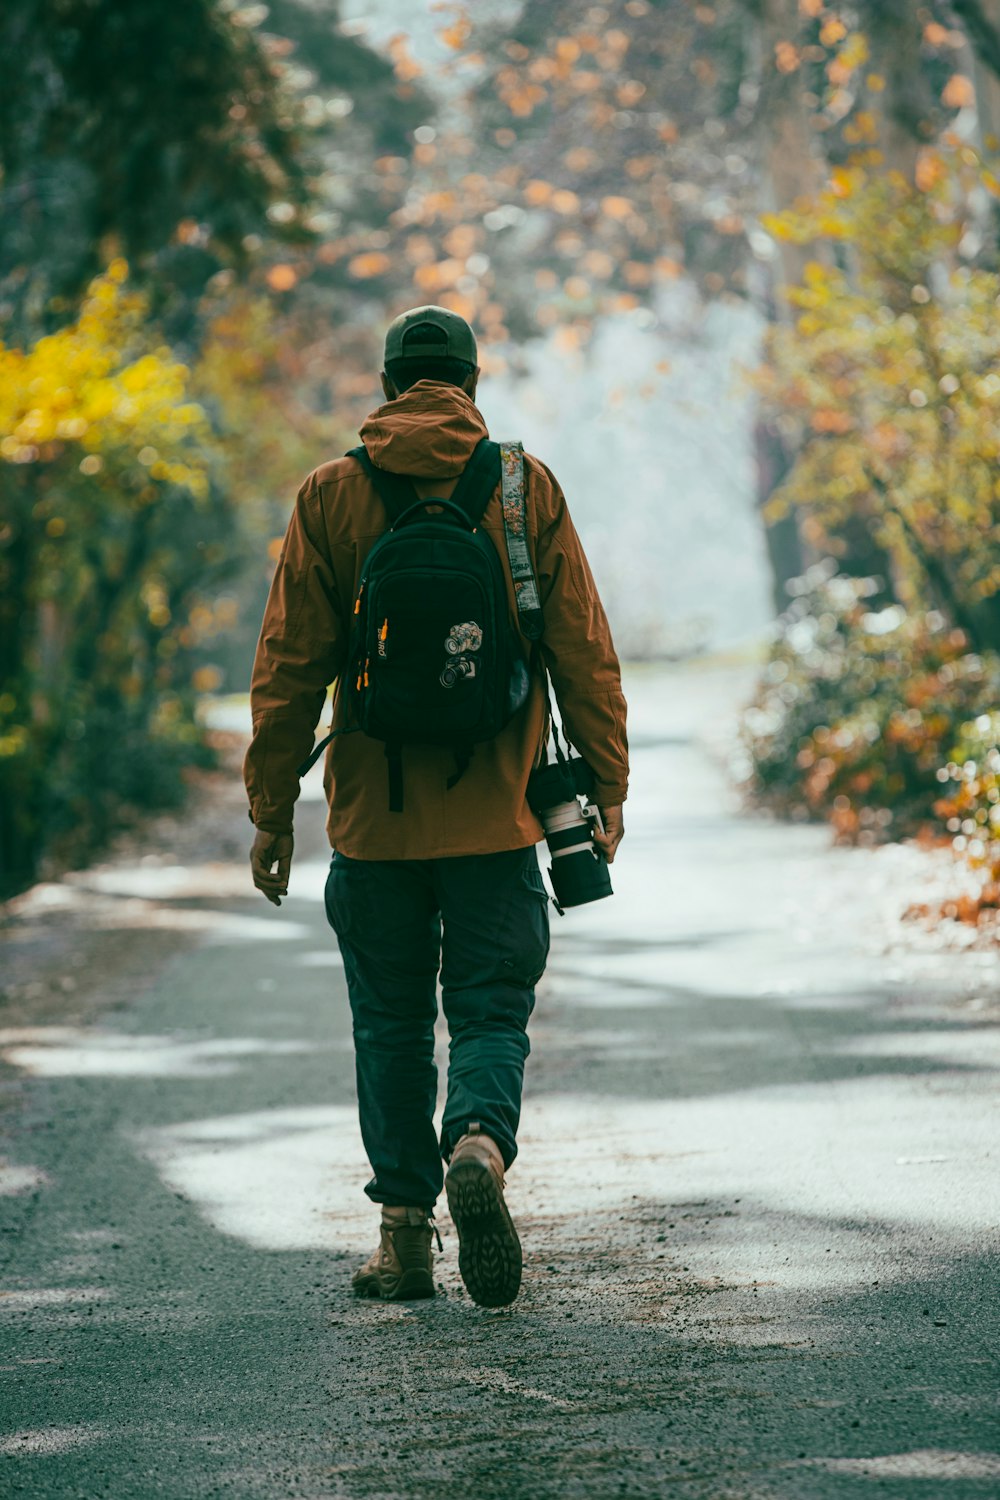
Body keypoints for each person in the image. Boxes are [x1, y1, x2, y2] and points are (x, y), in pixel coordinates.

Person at [244, 305, 628, 1307]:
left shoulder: (330, 494)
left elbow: (287, 670)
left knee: (389, 1021)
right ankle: (479, 1146)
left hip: (372, 826)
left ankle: (404, 1240)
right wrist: (606, 794)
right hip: (498, 818)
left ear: (386, 385)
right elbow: (584, 652)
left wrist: (270, 811)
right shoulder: (519, 486)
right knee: (492, 1006)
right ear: (469, 381)